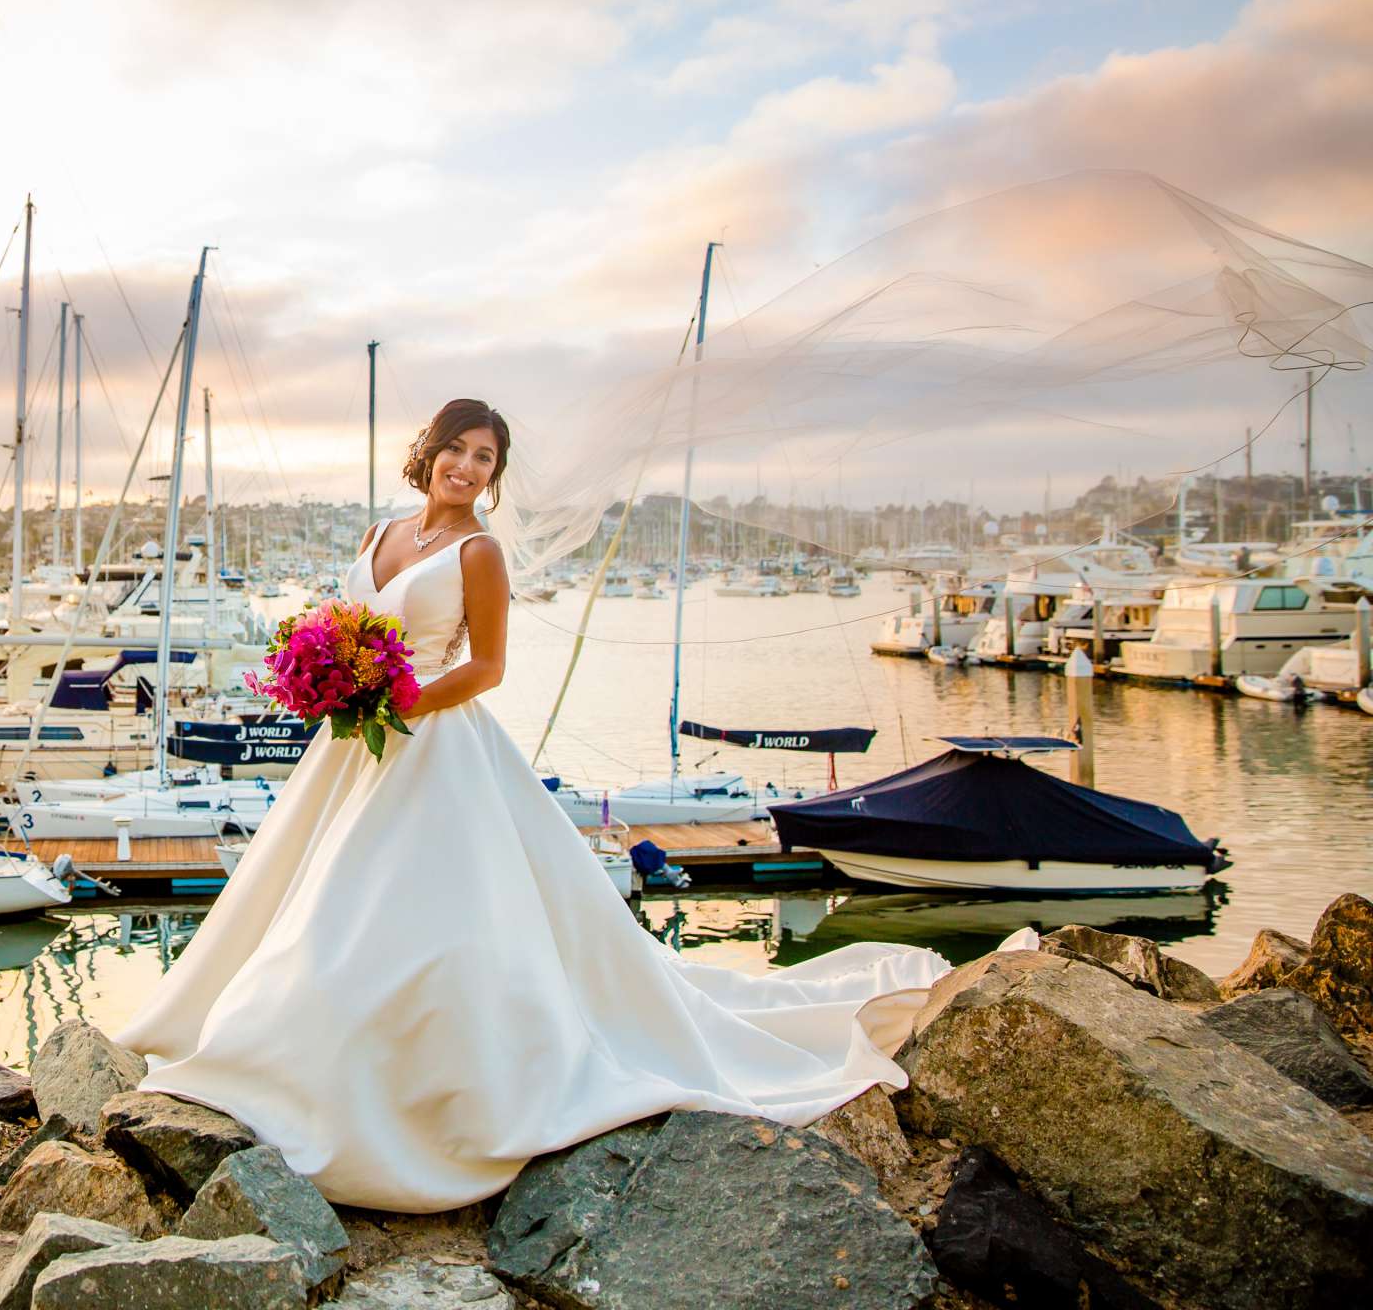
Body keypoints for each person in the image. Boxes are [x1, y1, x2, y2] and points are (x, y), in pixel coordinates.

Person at [115, 397, 949, 1213]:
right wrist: (326, 673)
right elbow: (342, 624)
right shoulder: (379, 534)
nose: (467, 468)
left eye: (486, 459)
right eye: (459, 449)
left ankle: (404, 1084)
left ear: (495, 477)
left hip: (430, 740)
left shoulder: (480, 552)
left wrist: (395, 700)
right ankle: (280, 1049)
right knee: (305, 893)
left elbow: (487, 669)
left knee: (389, 907)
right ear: (430, 449)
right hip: (350, 747)